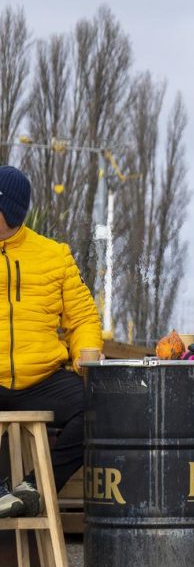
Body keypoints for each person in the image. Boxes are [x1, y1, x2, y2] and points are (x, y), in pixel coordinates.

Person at [0, 166, 102, 519]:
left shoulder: (54, 255)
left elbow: (83, 317)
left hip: (41, 378)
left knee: (99, 407)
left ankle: (34, 489)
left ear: (10, 212)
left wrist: (85, 355)